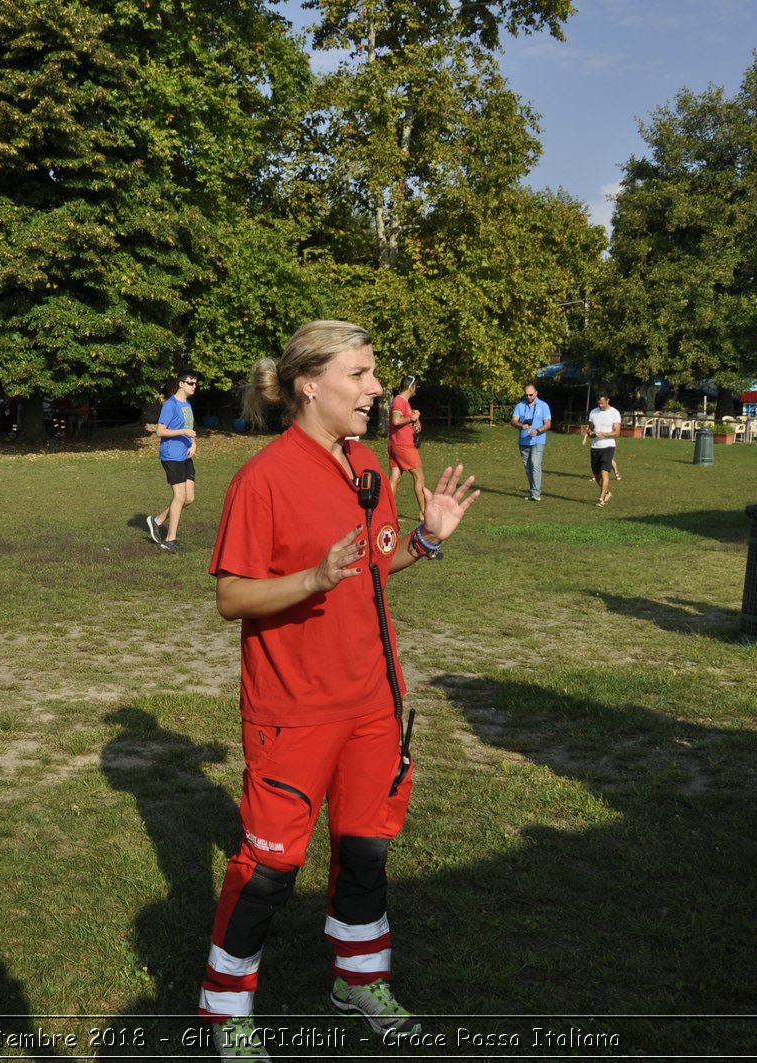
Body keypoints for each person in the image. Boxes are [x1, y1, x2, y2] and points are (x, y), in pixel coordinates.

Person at [197, 321, 479, 1059]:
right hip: (292, 711)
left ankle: (359, 979)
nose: (375, 389)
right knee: (269, 870)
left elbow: (374, 568)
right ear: (308, 384)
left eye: (374, 373)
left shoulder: (366, 468)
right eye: (359, 374)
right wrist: (311, 579)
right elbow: (232, 595)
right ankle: (225, 1011)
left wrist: (427, 539)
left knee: (365, 852)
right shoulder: (262, 478)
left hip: (373, 705)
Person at [147, 368, 199, 552]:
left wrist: (192, 443)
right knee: (180, 496)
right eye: (191, 383)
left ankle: (157, 520)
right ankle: (169, 539)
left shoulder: (187, 405)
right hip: (171, 455)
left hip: (185, 455)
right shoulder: (171, 405)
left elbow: (188, 428)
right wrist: (183, 432)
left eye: (195, 383)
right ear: (181, 383)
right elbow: (160, 431)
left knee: (189, 498)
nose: (194, 386)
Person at [387, 375, 425, 520]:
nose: (415, 390)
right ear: (411, 387)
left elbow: (404, 421)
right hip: (403, 446)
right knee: (419, 477)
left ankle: (387, 512)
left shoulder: (403, 402)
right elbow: (396, 420)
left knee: (395, 479)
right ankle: (423, 513)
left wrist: (414, 417)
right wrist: (411, 418)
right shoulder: (400, 400)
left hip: (395, 444)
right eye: (415, 387)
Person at [511, 384, 552, 500]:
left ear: (536, 393)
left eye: (531, 394)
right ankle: (533, 491)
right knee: (528, 468)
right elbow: (513, 421)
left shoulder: (543, 406)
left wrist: (538, 430)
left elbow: (548, 424)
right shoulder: (520, 406)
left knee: (535, 465)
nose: (528, 397)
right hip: (523, 441)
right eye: (526, 395)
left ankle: (536, 493)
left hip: (538, 440)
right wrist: (521, 425)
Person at [586, 392, 621, 506]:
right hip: (595, 447)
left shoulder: (614, 413)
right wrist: (591, 433)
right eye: (599, 403)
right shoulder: (593, 412)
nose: (600, 406)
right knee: (597, 475)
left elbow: (617, 433)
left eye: (602, 403)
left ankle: (602, 499)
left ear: (608, 401)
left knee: (604, 472)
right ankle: (606, 492)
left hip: (608, 446)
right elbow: (590, 429)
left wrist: (604, 434)